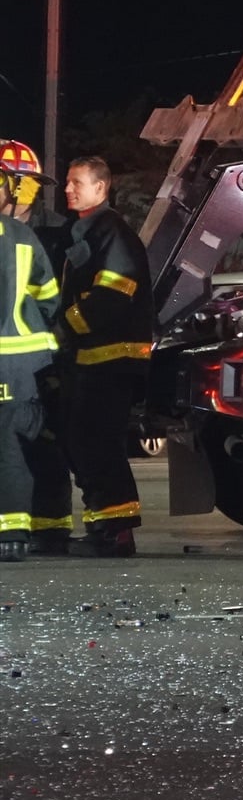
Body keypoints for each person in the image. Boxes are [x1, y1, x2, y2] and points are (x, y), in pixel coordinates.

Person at [49, 156, 154, 558]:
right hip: (91, 359)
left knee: (97, 443)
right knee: (83, 441)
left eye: (77, 182)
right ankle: (103, 528)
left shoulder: (113, 234)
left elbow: (113, 293)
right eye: (68, 183)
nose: (68, 189)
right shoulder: (88, 231)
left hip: (111, 360)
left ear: (101, 188)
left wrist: (65, 324)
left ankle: (117, 533)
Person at [1, 141, 74, 555]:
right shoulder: (22, 233)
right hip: (35, 357)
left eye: (30, 184)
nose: (26, 191)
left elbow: (56, 299)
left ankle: (51, 525)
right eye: (20, 183)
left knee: (45, 440)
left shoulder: (59, 231)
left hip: (47, 357)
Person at [0, 210, 61, 561]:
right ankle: (52, 526)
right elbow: (48, 295)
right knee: (39, 439)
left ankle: (10, 531)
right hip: (32, 360)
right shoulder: (23, 234)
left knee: (5, 443)